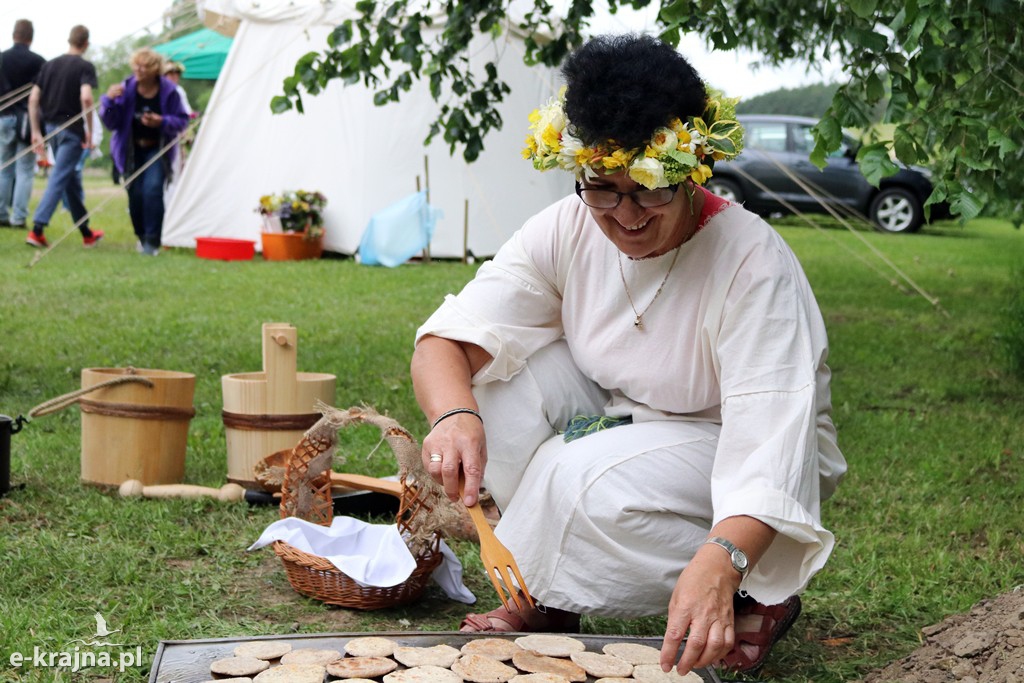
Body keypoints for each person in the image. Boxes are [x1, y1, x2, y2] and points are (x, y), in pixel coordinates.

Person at [410, 34, 846, 677]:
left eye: (648, 188)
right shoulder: (569, 224)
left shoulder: (754, 262)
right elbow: (444, 341)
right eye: (603, 188)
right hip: (626, 414)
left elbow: (769, 441)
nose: (626, 215)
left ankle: (754, 589)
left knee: (579, 482)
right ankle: (553, 598)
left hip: (738, 441)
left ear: (692, 171)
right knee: (487, 404)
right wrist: (453, 418)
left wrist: (722, 556)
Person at [99, 48, 188, 255]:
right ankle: (141, 235)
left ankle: (152, 241)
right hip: (130, 150)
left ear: (155, 69)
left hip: (156, 150)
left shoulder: (169, 91)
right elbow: (111, 122)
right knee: (135, 194)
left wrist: (161, 121)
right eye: (136, 64)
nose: (139, 69)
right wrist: (108, 101)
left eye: (145, 65)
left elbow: (182, 121)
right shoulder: (126, 89)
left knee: (153, 190)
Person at [26, 24, 102, 248]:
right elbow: (87, 98)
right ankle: (37, 229)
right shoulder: (85, 66)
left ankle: (87, 232)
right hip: (71, 131)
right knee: (60, 177)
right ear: (86, 44)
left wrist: (36, 131)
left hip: (51, 129)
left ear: (69, 40)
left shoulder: (49, 65)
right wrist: (88, 131)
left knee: (67, 178)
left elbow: (32, 99)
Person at [0, 19, 45, 229]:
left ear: (13, 34)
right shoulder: (38, 61)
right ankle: (18, 217)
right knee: (25, 170)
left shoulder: (2, 59)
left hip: (3, 117)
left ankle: (1, 214)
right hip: (28, 119)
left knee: (4, 168)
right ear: (31, 37)